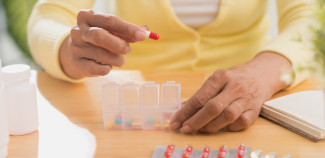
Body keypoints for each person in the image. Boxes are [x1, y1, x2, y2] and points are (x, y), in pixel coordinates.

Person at [27, 0, 314, 133]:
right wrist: (67, 47)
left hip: (253, 106)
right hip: (143, 119)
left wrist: (261, 73)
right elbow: (48, 16)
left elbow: (312, 19)